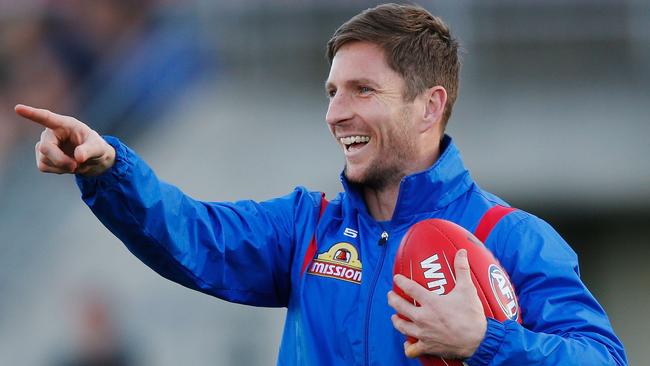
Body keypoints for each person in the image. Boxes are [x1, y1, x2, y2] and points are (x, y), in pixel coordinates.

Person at [16, 4, 627, 366]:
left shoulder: (512, 237)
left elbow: (603, 358)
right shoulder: (308, 227)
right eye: (332, 92)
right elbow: (193, 234)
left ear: (428, 105)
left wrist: (484, 340)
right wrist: (109, 170)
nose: (336, 112)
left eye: (362, 90)